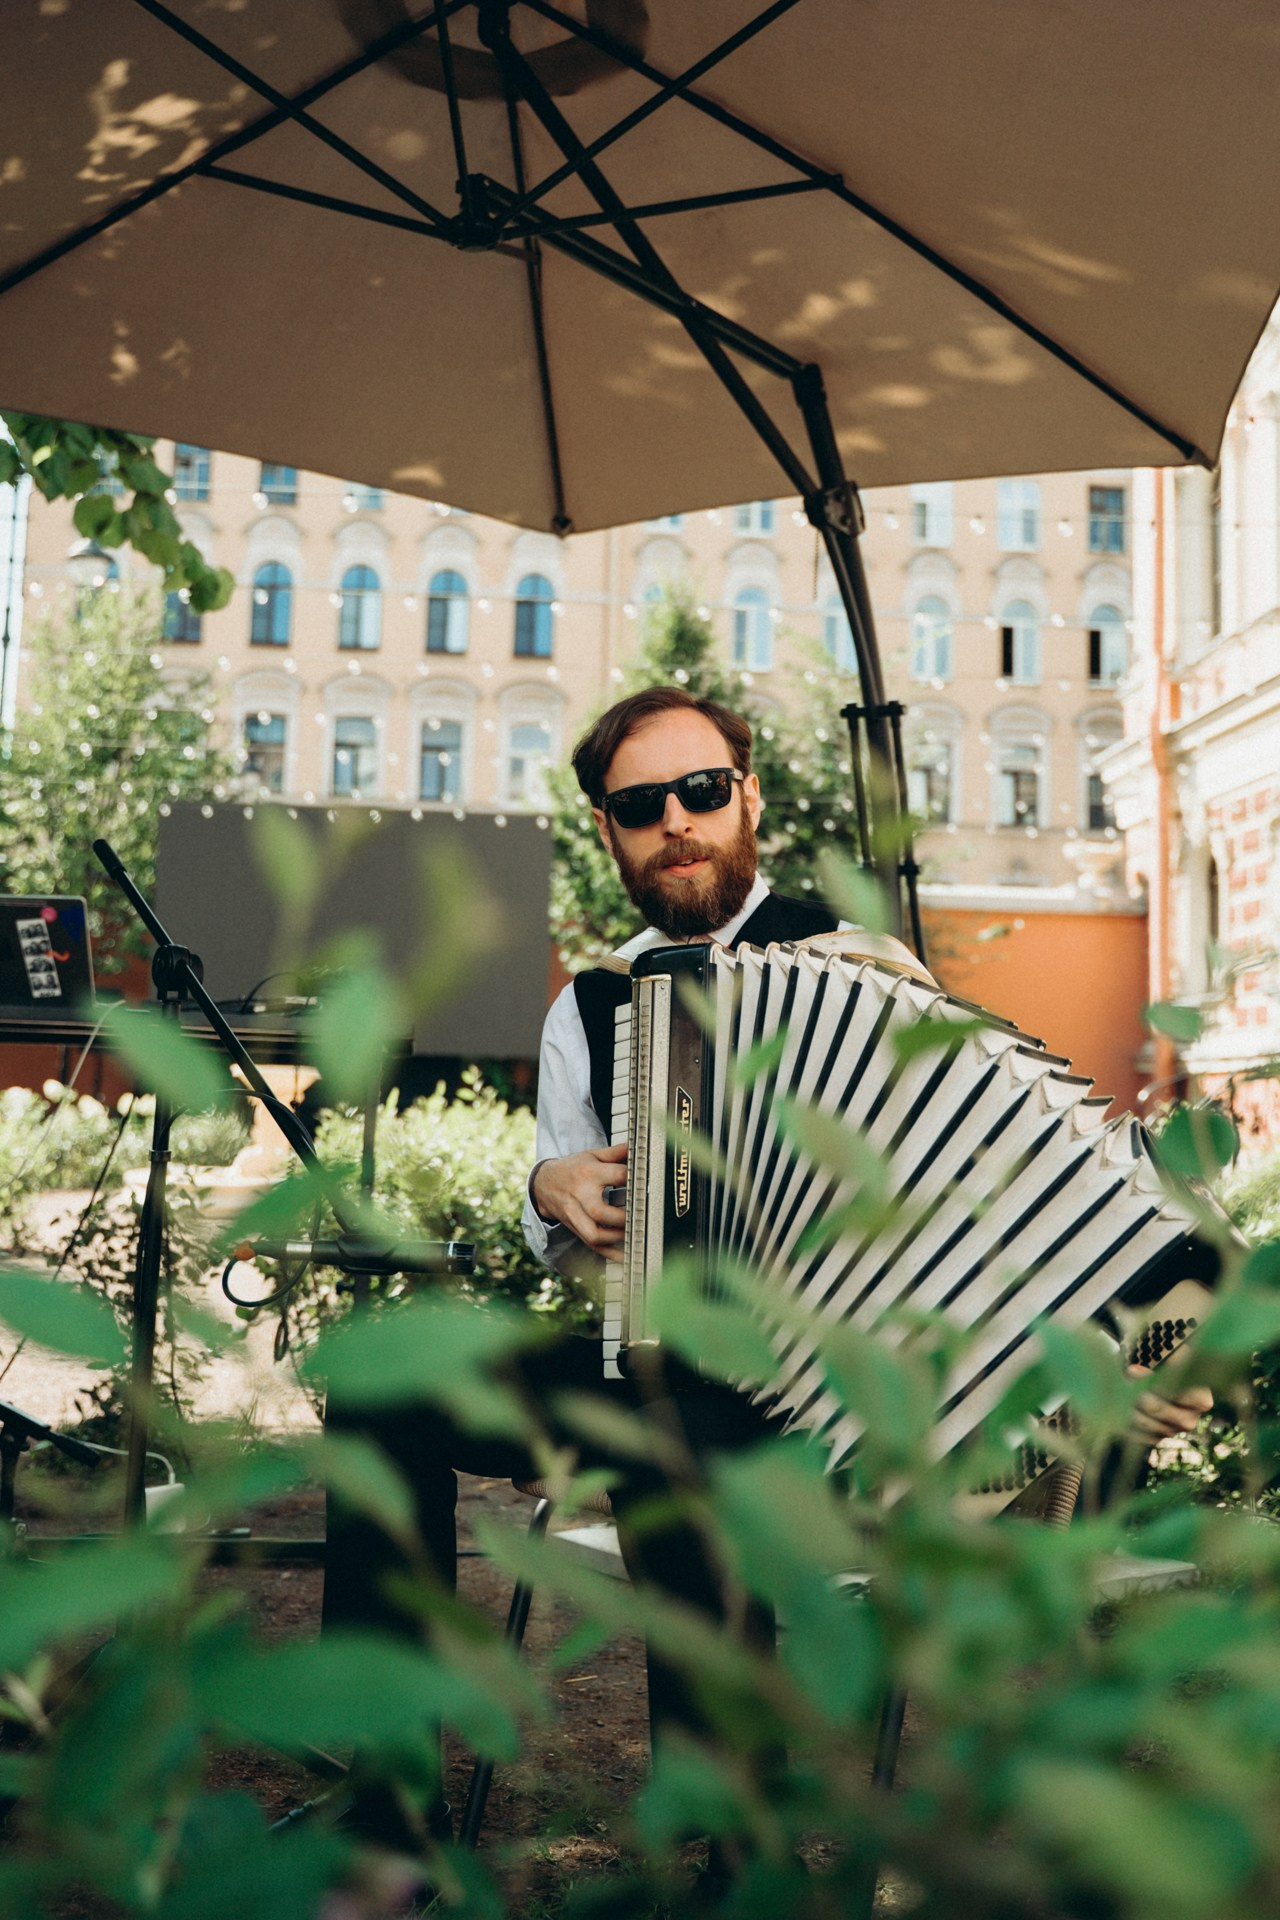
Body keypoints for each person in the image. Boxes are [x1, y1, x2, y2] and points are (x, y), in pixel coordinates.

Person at [323, 684, 1212, 1848]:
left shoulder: (866, 968)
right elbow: (563, 1208)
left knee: (679, 1457)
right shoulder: (589, 1010)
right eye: (641, 805)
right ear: (608, 830)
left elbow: (996, 1187)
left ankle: (734, 1851)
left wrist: (1117, 1365)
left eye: (701, 791)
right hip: (649, 1364)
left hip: (833, 1401)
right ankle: (390, 1818)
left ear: (747, 801)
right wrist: (549, 1191)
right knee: (383, 1392)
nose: (675, 823)